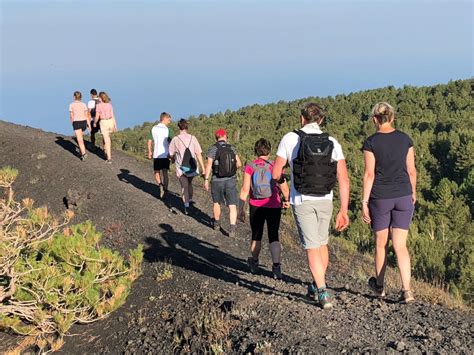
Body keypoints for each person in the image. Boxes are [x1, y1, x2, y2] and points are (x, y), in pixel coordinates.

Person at [272, 103, 350, 309]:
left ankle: (322, 291)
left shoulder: (290, 138)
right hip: (326, 199)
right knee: (322, 243)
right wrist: (343, 210)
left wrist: (284, 188)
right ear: (321, 120)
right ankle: (317, 285)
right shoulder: (332, 141)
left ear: (302, 118)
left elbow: (275, 172)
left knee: (312, 247)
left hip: (302, 200)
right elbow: (343, 178)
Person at [362, 102, 416, 304]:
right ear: (392, 118)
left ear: (375, 119)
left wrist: (364, 201)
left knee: (381, 244)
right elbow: (412, 170)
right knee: (401, 245)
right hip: (403, 194)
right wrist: (413, 192)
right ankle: (407, 290)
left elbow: (369, 174)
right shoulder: (405, 140)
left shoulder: (371, 142)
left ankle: (380, 287)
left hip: (380, 197)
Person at [238, 138, 290, 279]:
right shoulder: (275, 165)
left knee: (256, 235)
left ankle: (254, 263)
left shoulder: (250, 166)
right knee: (274, 236)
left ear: (256, 150)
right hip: (273, 204)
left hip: (256, 205)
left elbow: (244, 189)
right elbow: (283, 186)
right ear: (269, 150)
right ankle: (276, 267)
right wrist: (287, 200)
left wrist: (240, 209)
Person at [204, 129, 242, 238]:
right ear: (225, 136)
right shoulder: (232, 148)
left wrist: (206, 179)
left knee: (217, 203)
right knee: (232, 205)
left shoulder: (213, 148)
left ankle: (217, 224)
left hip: (216, 180)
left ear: (216, 137)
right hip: (231, 180)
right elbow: (239, 164)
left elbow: (209, 165)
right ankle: (232, 228)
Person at [169, 119, 205, 215]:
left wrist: (172, 159)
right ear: (187, 127)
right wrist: (203, 168)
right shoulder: (193, 138)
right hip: (192, 166)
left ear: (179, 127)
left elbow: (170, 154)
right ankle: (190, 201)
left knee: (184, 186)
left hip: (181, 168)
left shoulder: (175, 139)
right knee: (189, 184)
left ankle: (186, 206)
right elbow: (199, 154)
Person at [148, 112, 173, 198]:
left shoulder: (153, 128)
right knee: (165, 172)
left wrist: (150, 152)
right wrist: (171, 154)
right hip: (165, 154)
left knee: (156, 171)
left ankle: (160, 184)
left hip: (156, 154)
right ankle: (165, 189)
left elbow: (149, 141)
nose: (169, 121)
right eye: (169, 120)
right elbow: (171, 143)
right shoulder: (168, 130)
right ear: (164, 118)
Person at [95, 91, 118, 163]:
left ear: (101, 98)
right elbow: (113, 115)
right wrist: (115, 125)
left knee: (106, 140)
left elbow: (97, 116)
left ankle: (109, 158)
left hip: (103, 122)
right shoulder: (109, 105)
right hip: (110, 121)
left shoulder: (98, 106)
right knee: (107, 138)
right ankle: (106, 152)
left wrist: (95, 123)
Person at [69, 91, 91, 161]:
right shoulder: (84, 104)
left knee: (79, 139)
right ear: (81, 97)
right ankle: (81, 152)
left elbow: (71, 116)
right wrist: (89, 125)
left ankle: (84, 153)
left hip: (77, 122)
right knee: (81, 137)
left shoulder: (71, 105)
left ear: (74, 97)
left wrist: (72, 123)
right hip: (83, 122)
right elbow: (86, 116)